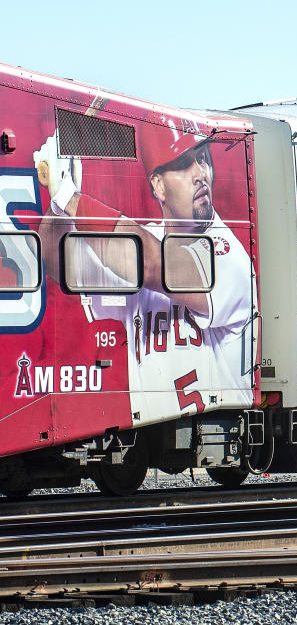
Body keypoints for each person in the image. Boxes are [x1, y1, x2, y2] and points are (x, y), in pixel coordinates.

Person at [36, 118, 254, 423]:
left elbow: (154, 265)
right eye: (184, 164)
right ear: (158, 186)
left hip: (216, 420)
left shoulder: (227, 254)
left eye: (203, 159)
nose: (200, 174)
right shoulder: (136, 241)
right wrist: (56, 205)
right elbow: (56, 263)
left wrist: (70, 199)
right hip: (156, 429)